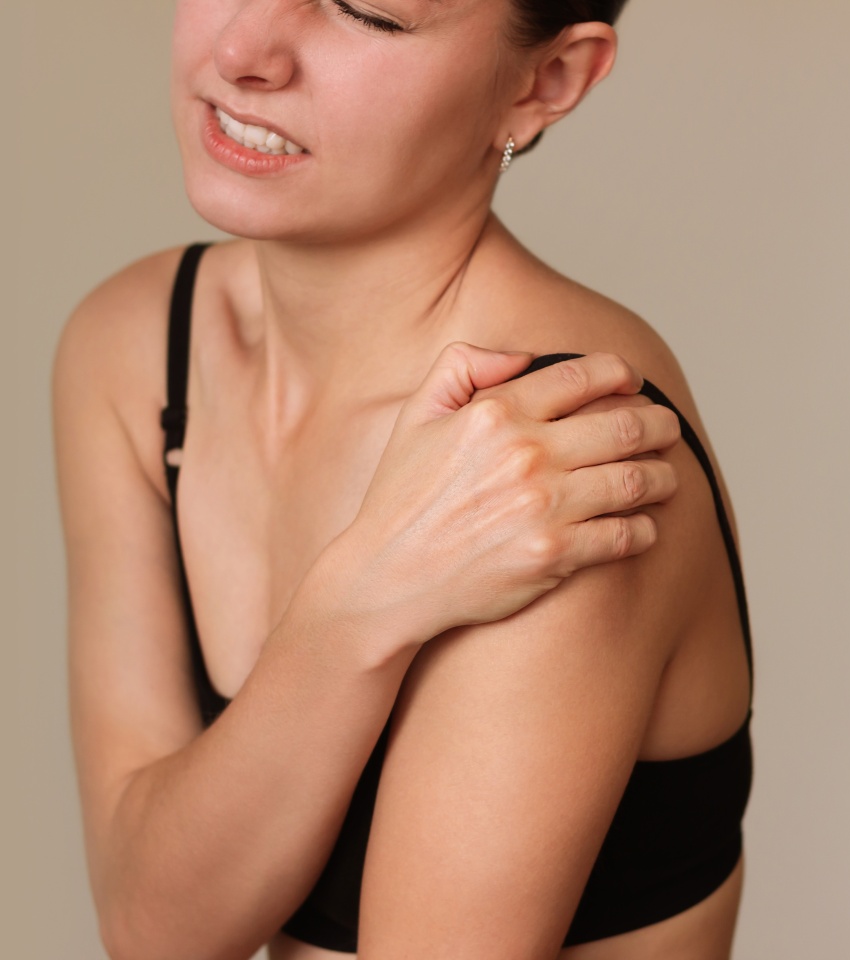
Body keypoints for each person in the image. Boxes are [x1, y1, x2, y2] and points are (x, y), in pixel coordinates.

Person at [53, 2, 753, 959]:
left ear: (546, 80)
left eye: (369, 12)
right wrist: (353, 611)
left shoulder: (555, 460)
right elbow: (154, 928)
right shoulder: (135, 345)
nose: (241, 50)